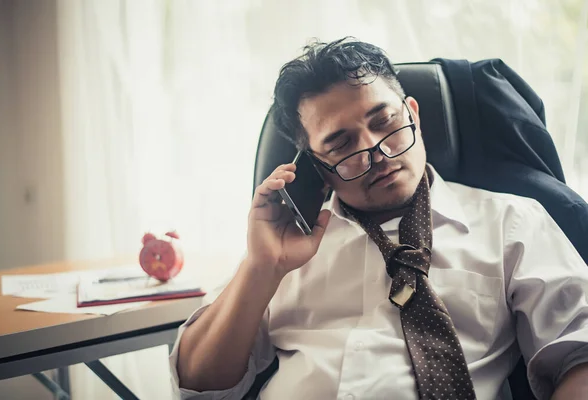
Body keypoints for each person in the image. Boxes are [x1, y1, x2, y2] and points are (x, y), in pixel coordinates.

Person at [170, 38, 588, 399]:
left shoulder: (511, 221)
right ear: (316, 164)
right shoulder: (282, 247)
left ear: (413, 114)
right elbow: (197, 386)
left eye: (384, 121)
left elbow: (579, 353)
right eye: (341, 143)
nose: (377, 153)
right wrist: (262, 269)